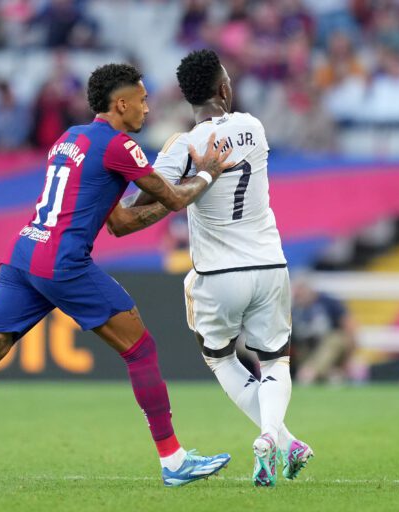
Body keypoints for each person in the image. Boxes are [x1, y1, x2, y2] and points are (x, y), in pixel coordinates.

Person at [0, 63, 236, 488]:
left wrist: (179, 194)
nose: (148, 108)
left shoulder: (69, 139)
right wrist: (207, 173)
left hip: (25, 255)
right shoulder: (121, 146)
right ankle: (173, 461)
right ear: (121, 104)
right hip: (64, 262)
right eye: (142, 100)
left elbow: (118, 223)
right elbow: (172, 198)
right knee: (140, 350)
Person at [107, 49, 312, 487]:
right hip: (269, 264)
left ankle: (280, 439)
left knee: (220, 359)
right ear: (223, 88)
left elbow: (141, 202)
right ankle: (273, 436)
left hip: (218, 274)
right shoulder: (254, 127)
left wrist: (185, 179)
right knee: (275, 361)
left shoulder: (183, 146)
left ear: (188, 98)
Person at [290, 277, 357, 384]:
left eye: (301, 293)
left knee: (334, 338)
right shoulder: (294, 308)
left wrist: (347, 359)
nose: (298, 297)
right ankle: (329, 373)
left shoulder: (329, 302)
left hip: (332, 347)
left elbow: (350, 328)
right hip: (307, 349)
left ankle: (311, 372)